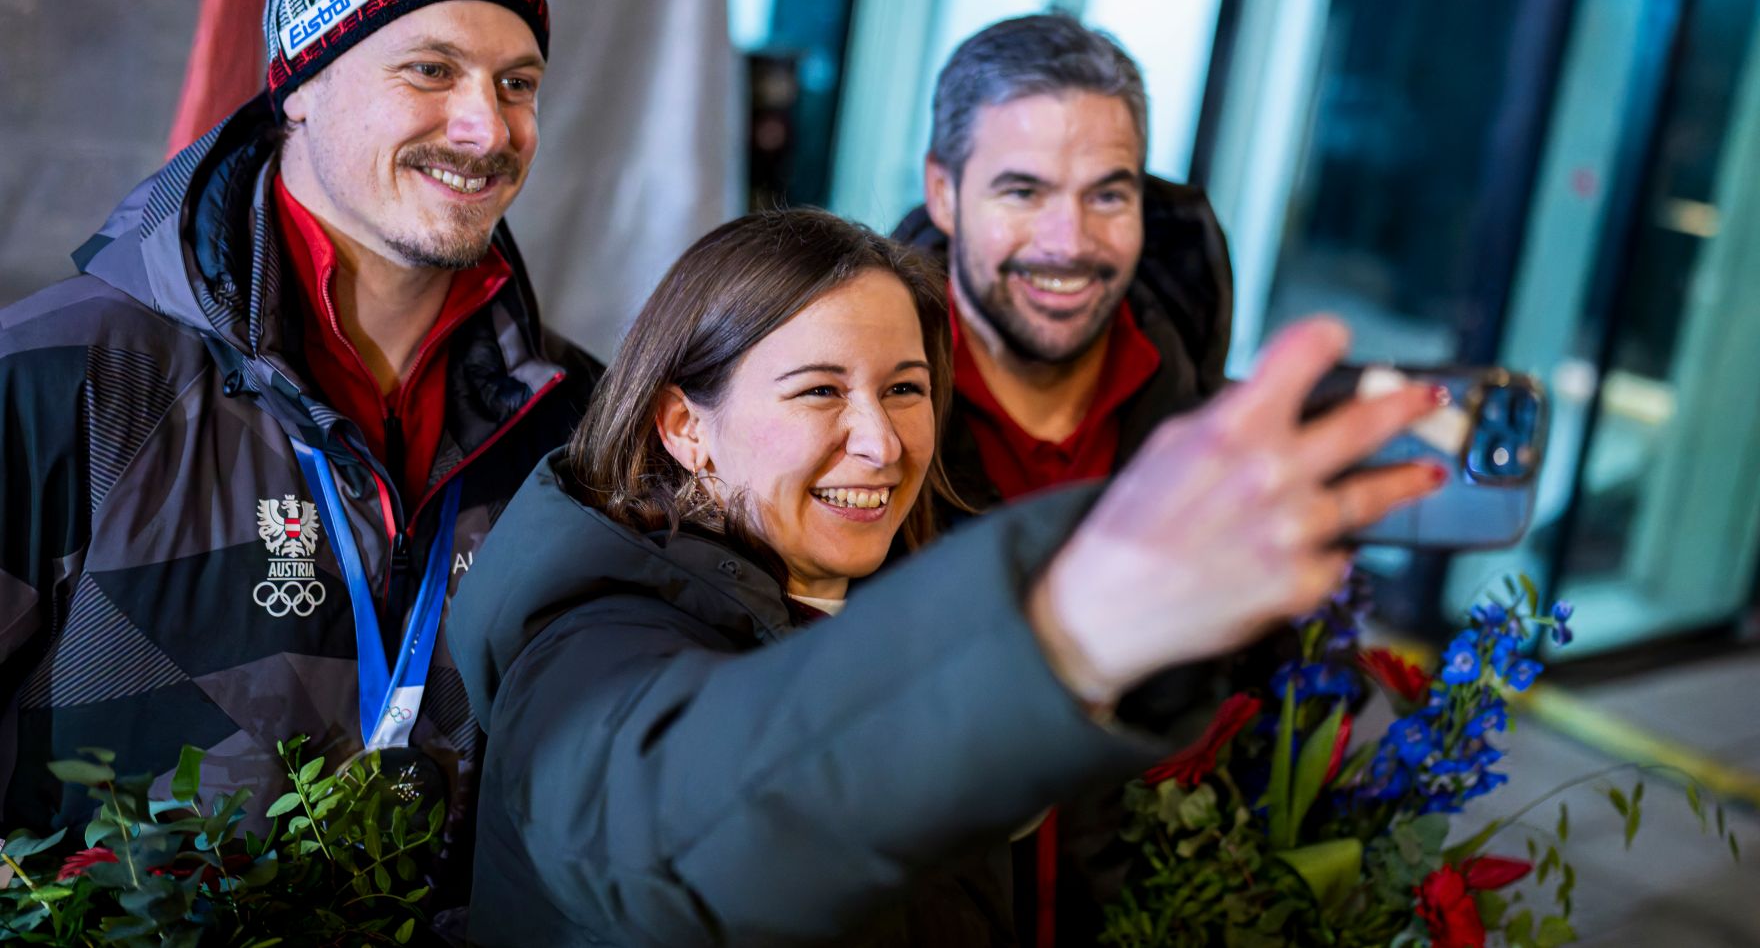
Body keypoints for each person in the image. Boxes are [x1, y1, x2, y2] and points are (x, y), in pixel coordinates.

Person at [448, 206, 1444, 947]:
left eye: (905, 389)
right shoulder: (585, 638)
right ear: (682, 427)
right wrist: (1057, 633)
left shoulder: (873, 591)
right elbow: (681, 824)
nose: (880, 442)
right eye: (818, 391)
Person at [0, 0, 598, 877]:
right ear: (301, 83)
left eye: (518, 83)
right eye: (430, 69)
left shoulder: (573, 420)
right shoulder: (69, 377)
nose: (485, 127)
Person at [892, 11, 1233, 941]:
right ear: (944, 191)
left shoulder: (1207, 435)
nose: (1068, 240)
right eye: (1023, 190)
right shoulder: (853, 433)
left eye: (1107, 195)